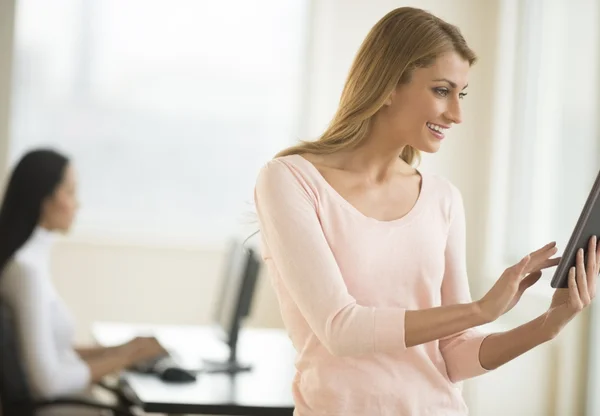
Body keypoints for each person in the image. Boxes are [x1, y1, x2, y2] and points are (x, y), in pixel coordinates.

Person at [253, 7, 600, 416]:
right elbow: (340, 329)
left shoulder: (443, 199)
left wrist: (548, 325)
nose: (456, 114)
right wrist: (481, 310)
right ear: (387, 85)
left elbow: (455, 355)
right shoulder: (292, 180)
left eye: (461, 94)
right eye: (441, 90)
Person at [0, 148, 166, 415]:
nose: (78, 204)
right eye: (70, 192)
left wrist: (122, 349)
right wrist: (127, 357)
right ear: (45, 198)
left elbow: (55, 352)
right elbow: (47, 382)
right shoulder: (25, 271)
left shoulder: (31, 261)